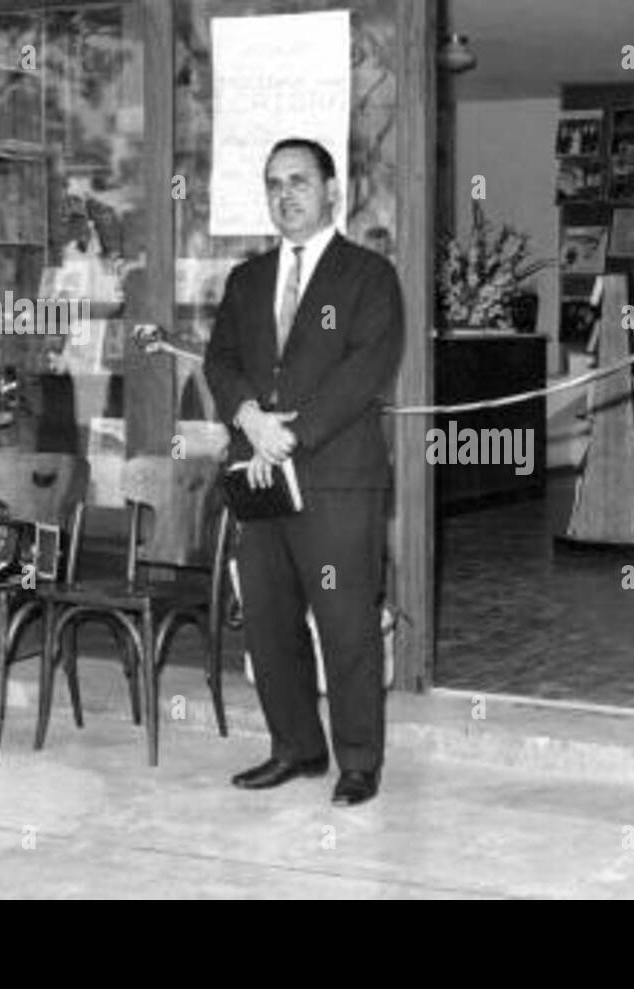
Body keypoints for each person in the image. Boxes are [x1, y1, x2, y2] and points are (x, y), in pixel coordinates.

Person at [204, 138, 404, 807]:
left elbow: (364, 371)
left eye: (298, 181)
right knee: (268, 618)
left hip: (337, 478)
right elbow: (220, 360)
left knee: (346, 622)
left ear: (330, 191)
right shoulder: (246, 280)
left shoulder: (368, 276)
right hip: (258, 477)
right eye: (273, 184)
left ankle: (357, 761)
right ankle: (295, 746)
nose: (285, 195)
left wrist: (287, 433)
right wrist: (248, 419)